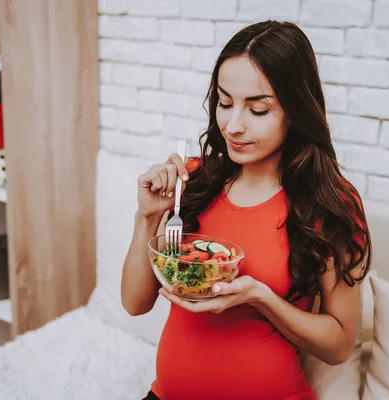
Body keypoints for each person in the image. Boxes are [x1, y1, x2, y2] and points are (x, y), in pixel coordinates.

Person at [121, 20, 372, 400]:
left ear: (296, 111)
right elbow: (134, 303)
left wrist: (260, 297)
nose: (233, 125)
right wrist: (150, 217)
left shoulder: (330, 204)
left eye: (257, 110)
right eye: (224, 103)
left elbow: (337, 346)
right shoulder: (192, 183)